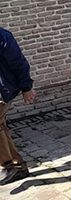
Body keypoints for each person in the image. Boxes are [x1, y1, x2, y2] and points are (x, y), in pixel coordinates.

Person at [0, 27, 35, 185]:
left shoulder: (3, 37)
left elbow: (19, 63)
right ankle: (17, 166)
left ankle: (8, 166)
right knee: (1, 126)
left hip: (2, 90)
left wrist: (26, 88)